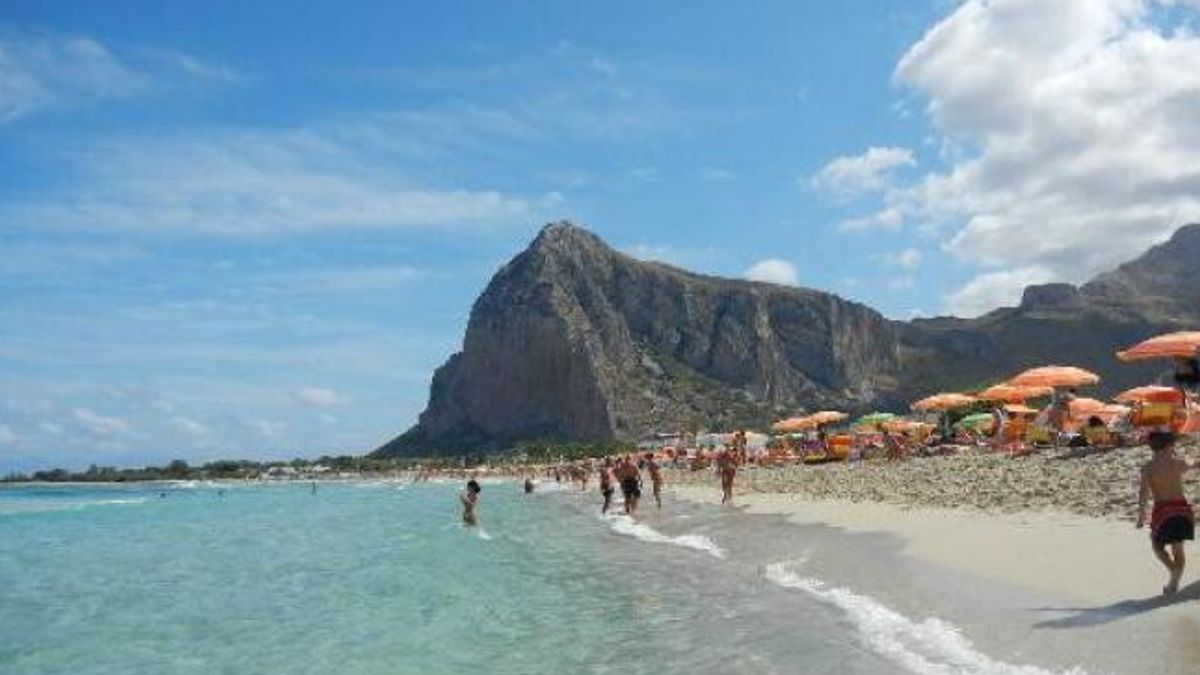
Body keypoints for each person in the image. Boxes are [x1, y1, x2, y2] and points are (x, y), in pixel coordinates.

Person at [1136, 431, 1195, 595]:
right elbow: (1191, 464)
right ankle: (1174, 582)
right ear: (1170, 446)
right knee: (1178, 549)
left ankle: (1172, 571)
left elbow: (1144, 494)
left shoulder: (1148, 467)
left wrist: (1141, 516)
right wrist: (1189, 460)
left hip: (1163, 512)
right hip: (1183, 511)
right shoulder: (1178, 463)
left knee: (1156, 545)